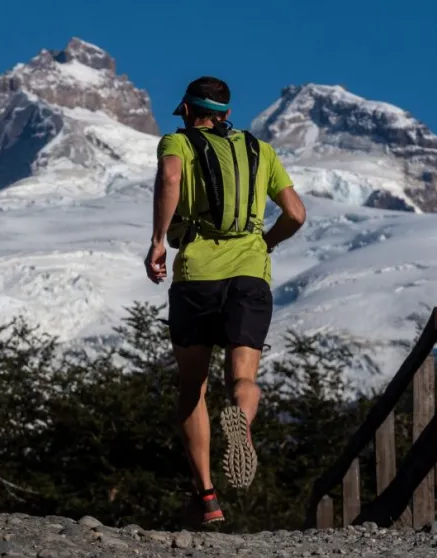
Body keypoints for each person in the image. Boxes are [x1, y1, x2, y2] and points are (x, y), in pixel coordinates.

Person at [144, 76, 306, 525]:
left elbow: (170, 177)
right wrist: (266, 243)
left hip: (197, 275)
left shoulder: (177, 143)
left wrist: (159, 240)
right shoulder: (262, 151)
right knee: (243, 377)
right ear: (227, 113)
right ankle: (241, 419)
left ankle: (208, 498)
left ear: (189, 113)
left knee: (192, 387)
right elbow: (296, 214)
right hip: (250, 276)